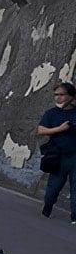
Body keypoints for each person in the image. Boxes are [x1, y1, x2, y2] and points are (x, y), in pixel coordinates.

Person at [38, 81, 76, 222]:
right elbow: (41, 130)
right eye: (56, 95)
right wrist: (60, 129)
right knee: (53, 188)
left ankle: (74, 217)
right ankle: (47, 207)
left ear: (71, 97)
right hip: (58, 156)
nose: (58, 98)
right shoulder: (51, 113)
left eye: (62, 95)